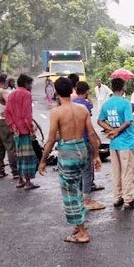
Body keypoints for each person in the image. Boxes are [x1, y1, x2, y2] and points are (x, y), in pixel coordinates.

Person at [38, 77, 102, 243]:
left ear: (57, 92)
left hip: (68, 152)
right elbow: (92, 134)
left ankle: (81, 232)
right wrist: (96, 155)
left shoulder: (56, 112)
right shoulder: (82, 109)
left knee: (70, 192)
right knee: (77, 187)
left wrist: (43, 160)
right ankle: (78, 224)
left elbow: (51, 139)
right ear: (72, 90)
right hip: (82, 148)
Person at [98, 78, 134, 209]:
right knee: (128, 171)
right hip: (126, 143)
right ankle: (128, 200)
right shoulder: (125, 103)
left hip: (114, 144)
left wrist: (111, 130)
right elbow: (128, 121)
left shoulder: (107, 104)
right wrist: (117, 130)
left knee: (117, 171)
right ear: (123, 87)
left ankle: (118, 197)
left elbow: (100, 120)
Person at [73, 81, 106, 209]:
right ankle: (86, 199)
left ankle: (80, 196)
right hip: (85, 139)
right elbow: (89, 126)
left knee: (79, 170)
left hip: (73, 140)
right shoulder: (86, 104)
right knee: (87, 170)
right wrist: (96, 140)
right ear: (86, 91)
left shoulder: (72, 103)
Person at [4, 74, 39, 190]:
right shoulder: (26, 94)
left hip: (15, 131)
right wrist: (31, 129)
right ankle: (28, 182)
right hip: (24, 130)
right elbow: (26, 114)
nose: (31, 86)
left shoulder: (11, 94)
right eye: (30, 84)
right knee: (27, 156)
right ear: (26, 84)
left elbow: (7, 112)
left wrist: (12, 126)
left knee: (18, 155)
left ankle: (20, 179)